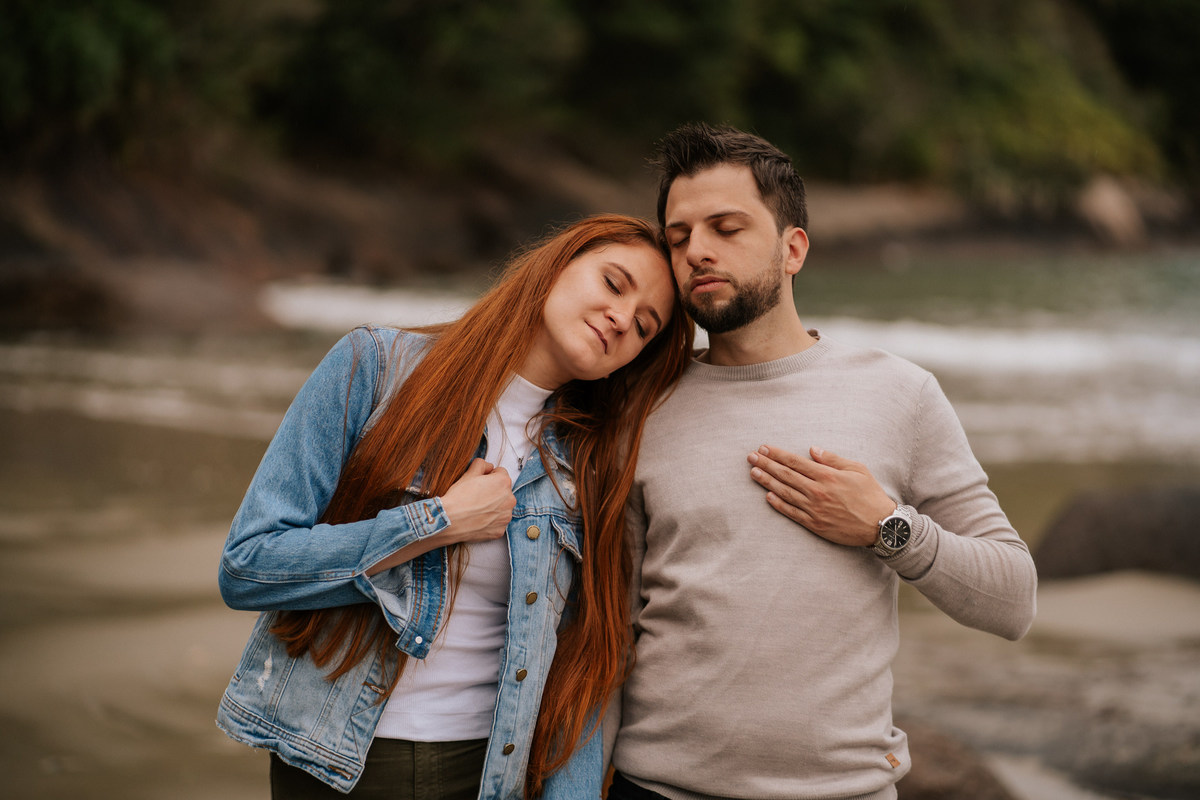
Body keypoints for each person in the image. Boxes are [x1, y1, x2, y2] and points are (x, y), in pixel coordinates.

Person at [606, 123, 1038, 800]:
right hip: (653, 789)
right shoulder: (639, 406)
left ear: (793, 248)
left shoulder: (899, 392)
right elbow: (609, 636)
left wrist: (887, 529)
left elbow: (1012, 600)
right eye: (680, 235)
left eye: (727, 227)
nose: (698, 252)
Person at [215, 214, 692, 800]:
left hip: (486, 773)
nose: (621, 320)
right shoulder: (375, 368)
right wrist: (435, 522)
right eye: (614, 284)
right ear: (557, 265)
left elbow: (582, 667)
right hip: (336, 762)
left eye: (644, 328)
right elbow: (248, 566)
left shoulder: (593, 464)